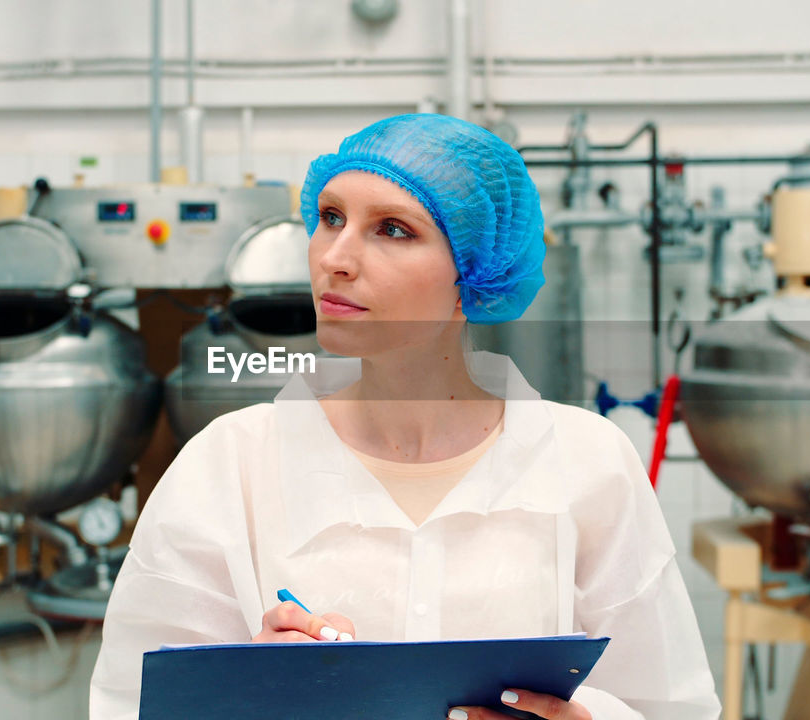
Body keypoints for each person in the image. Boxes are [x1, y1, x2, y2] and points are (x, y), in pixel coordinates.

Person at [89, 114, 721, 720]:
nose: (335, 257)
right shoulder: (228, 465)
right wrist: (243, 693)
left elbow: (668, 703)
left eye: (392, 229)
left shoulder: (586, 462)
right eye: (330, 217)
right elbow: (131, 702)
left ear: (471, 271)